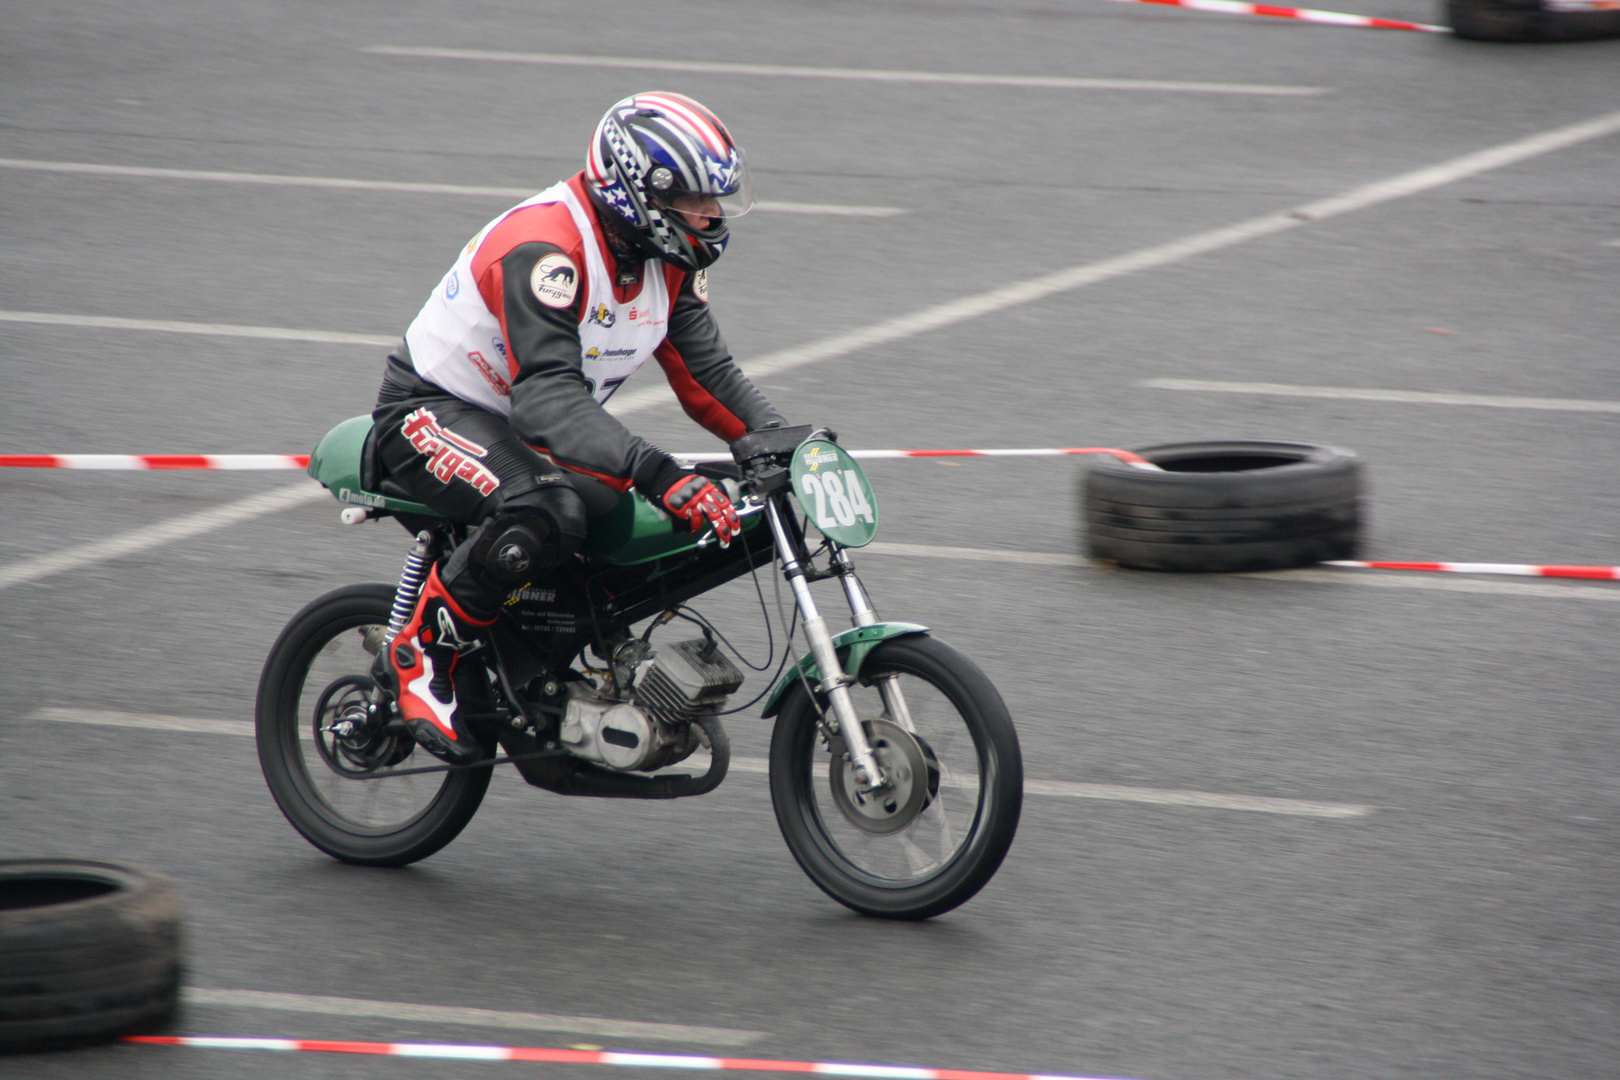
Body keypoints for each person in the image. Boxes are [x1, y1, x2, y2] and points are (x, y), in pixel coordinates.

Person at [371, 92, 786, 764]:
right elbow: (547, 402)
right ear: (637, 193)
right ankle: (423, 647)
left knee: (663, 520)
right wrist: (659, 471)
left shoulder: (666, 259)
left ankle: (570, 665)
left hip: (527, 428)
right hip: (430, 411)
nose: (711, 217)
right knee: (548, 508)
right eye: (695, 199)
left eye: (718, 200)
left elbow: (711, 378)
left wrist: (785, 443)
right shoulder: (545, 251)